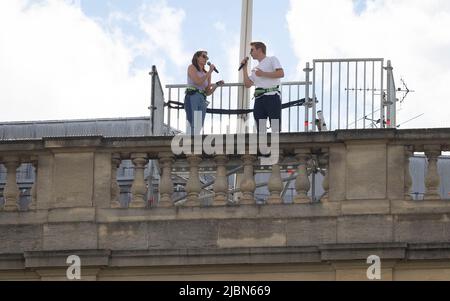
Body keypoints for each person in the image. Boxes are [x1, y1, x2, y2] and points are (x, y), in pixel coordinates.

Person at [241, 42, 284, 133]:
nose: (250, 52)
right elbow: (248, 84)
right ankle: (263, 146)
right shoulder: (255, 69)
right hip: (259, 99)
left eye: (252, 50)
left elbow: (281, 73)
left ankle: (276, 145)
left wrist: (263, 74)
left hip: (272, 96)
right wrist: (244, 68)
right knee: (261, 129)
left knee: (275, 128)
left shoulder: (272, 59)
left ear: (259, 49)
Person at [185, 50, 224, 135]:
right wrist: (210, 72)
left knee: (199, 125)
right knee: (192, 122)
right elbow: (198, 81)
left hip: (202, 98)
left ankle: (194, 144)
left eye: (207, 57)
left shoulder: (207, 73)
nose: (206, 59)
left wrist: (216, 85)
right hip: (192, 96)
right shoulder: (191, 67)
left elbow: (207, 92)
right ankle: (189, 144)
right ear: (197, 57)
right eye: (204, 56)